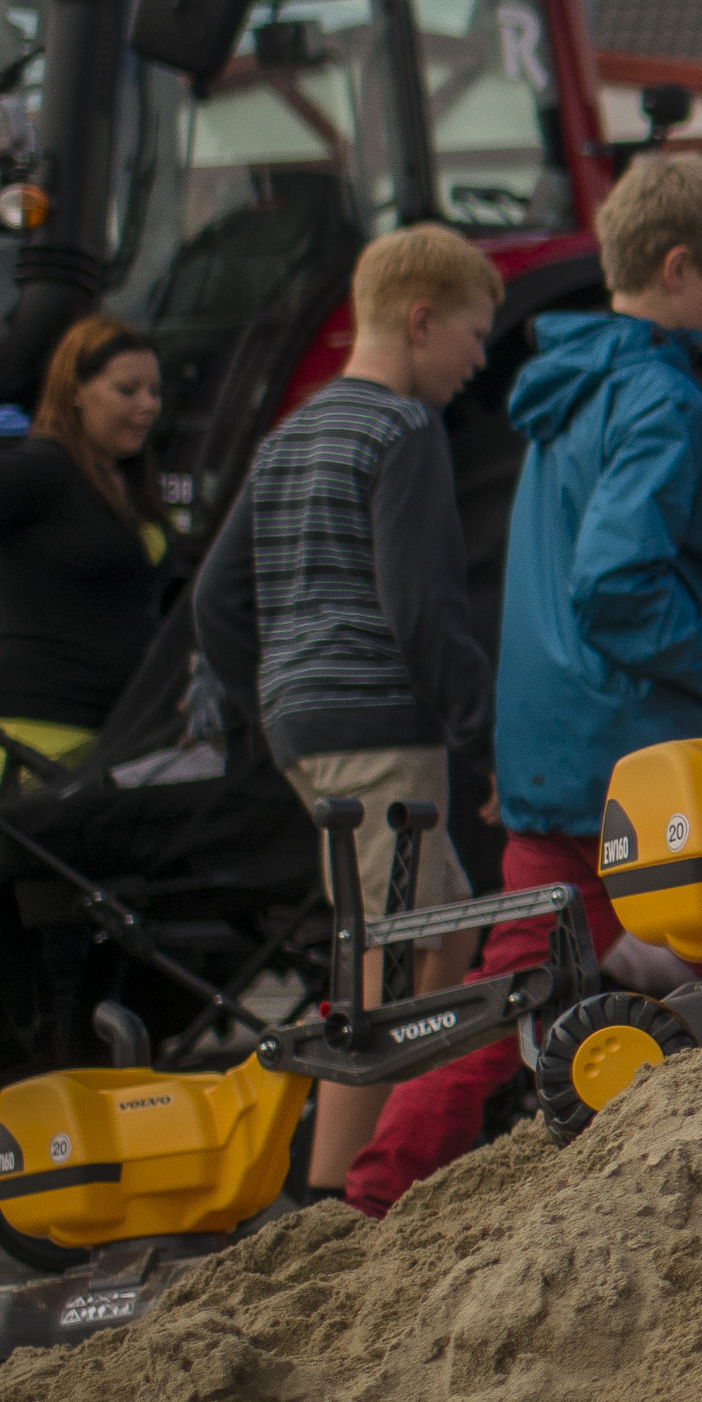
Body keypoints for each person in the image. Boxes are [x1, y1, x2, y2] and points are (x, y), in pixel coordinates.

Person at [193, 225, 506, 1203]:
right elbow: (422, 608)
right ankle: (338, 1193)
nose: (477, 358)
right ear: (420, 321)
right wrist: (483, 735)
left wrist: (276, 694)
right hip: (378, 726)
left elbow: (214, 599)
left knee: (442, 926)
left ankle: (409, 1151)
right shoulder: (401, 432)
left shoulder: (289, 433)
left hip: (305, 726)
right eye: (473, 332)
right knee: (393, 951)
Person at [494, 153, 702, 1007]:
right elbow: (617, 589)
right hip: (637, 761)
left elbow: (611, 583)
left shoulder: (574, 389)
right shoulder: (663, 400)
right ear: (677, 267)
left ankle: (381, 1153)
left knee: (502, 1013)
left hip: (551, 756)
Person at [0, 314, 170, 797]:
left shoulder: (130, 479)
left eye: (155, 392)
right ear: (76, 391)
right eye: (127, 391)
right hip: (43, 737)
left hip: (126, 735)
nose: (147, 406)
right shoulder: (39, 469)